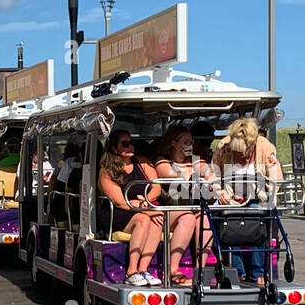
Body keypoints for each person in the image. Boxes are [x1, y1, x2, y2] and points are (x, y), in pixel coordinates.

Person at [212, 118, 283, 283]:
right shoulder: (223, 148)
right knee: (229, 224)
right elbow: (213, 176)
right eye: (236, 152)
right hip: (231, 199)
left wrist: (267, 190)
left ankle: (258, 272)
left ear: (251, 145)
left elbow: (276, 179)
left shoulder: (266, 149)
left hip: (258, 197)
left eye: (242, 152)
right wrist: (219, 191)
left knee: (257, 221)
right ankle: (237, 270)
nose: (239, 156)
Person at [153, 124, 220, 286]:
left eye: (191, 142)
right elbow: (171, 175)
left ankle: (201, 270)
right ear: (174, 143)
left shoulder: (194, 161)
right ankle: (172, 270)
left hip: (187, 209)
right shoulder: (162, 161)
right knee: (188, 217)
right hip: (166, 211)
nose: (190, 145)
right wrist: (194, 176)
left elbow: (205, 169)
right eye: (185, 142)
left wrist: (211, 180)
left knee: (204, 218)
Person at [97, 129, 163, 287]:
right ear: (114, 148)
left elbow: (157, 188)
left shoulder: (142, 162)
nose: (130, 146)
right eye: (125, 144)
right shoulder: (106, 171)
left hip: (143, 206)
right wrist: (142, 207)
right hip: (118, 213)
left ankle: (143, 269)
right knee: (143, 219)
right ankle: (131, 271)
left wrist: (147, 201)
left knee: (157, 218)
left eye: (132, 142)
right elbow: (120, 202)